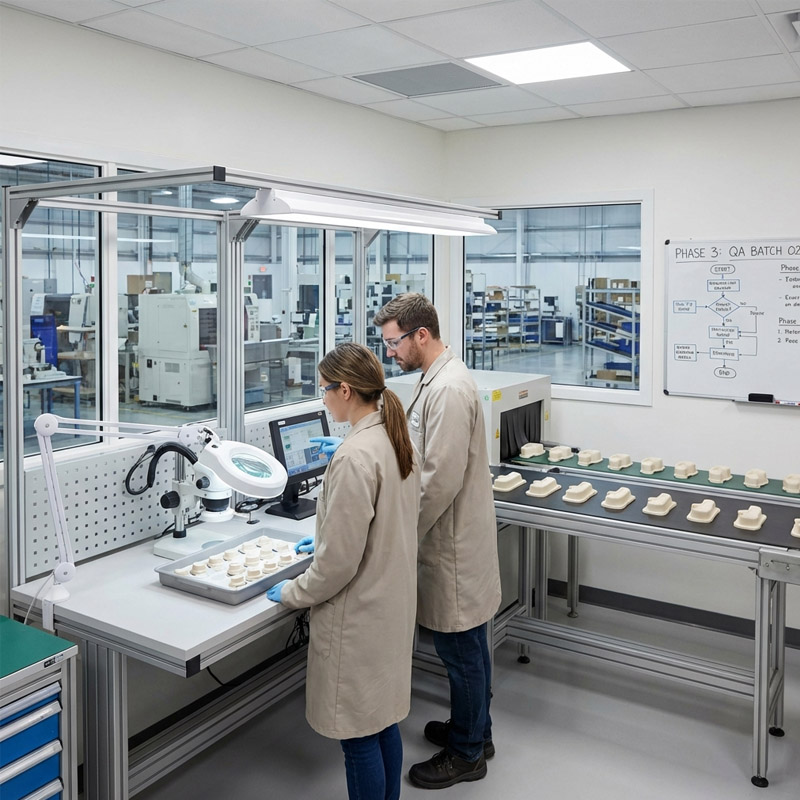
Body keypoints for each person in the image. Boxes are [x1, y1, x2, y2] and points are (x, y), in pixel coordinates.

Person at [266, 342, 420, 800]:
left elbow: (336, 567)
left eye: (324, 390)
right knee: (383, 719)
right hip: (390, 605)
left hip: (361, 619)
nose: (323, 399)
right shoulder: (393, 436)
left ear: (347, 391)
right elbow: (387, 520)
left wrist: (293, 591)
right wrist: (331, 532)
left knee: (358, 738)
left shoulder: (355, 456)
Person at [373, 292, 501, 790]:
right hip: (455, 542)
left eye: (393, 343)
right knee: (470, 647)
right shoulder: (437, 380)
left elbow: (438, 481)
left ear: (420, 335)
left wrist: (397, 532)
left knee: (460, 650)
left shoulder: (447, 389)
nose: (390, 353)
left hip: (451, 549)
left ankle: (467, 754)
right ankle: (477, 730)